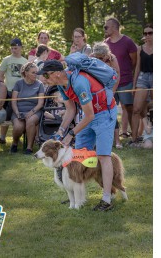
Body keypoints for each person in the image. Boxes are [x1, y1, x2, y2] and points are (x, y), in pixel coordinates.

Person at [37, 60, 118, 211]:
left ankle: (107, 198)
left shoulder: (79, 82)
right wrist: (61, 131)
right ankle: (76, 196)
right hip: (89, 114)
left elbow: (90, 116)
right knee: (79, 156)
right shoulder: (61, 85)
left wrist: (71, 133)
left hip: (103, 113)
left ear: (57, 73)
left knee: (103, 156)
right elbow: (70, 110)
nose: (44, 79)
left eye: (46, 75)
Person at [104, 17, 137, 141]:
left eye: (106, 26)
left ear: (114, 27)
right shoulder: (105, 43)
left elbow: (134, 60)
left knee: (128, 107)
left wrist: (127, 72)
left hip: (125, 81)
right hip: (110, 83)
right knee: (109, 109)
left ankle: (134, 135)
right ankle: (112, 137)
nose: (105, 29)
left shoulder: (127, 42)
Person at [0, 38, 28, 145]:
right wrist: (2, 86)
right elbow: (0, 75)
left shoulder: (25, 61)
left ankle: (18, 137)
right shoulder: (6, 60)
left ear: (21, 48)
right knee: (6, 115)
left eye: (16, 48)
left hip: (21, 92)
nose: (14, 50)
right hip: (8, 91)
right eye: (12, 48)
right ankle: (2, 138)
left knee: (18, 114)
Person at [91, 42, 122, 149]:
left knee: (111, 113)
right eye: (97, 57)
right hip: (96, 89)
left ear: (106, 54)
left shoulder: (112, 59)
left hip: (110, 87)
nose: (99, 59)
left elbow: (117, 75)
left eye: (101, 57)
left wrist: (112, 91)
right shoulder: (91, 57)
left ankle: (117, 141)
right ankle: (96, 141)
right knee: (96, 113)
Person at [10, 62, 45, 154]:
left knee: (30, 121)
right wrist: (17, 113)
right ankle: (15, 143)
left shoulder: (39, 84)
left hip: (35, 110)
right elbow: (13, 101)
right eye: (33, 72)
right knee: (18, 127)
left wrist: (31, 112)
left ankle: (29, 148)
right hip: (19, 110)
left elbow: (40, 103)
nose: (36, 74)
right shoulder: (18, 84)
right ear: (26, 73)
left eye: (36, 72)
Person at [131, 24, 153, 146]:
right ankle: (134, 139)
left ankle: (151, 135)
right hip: (143, 78)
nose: (147, 36)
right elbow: (138, 67)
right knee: (136, 109)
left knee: (154, 108)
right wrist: (134, 85)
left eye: (150, 33)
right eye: (145, 33)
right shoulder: (140, 48)